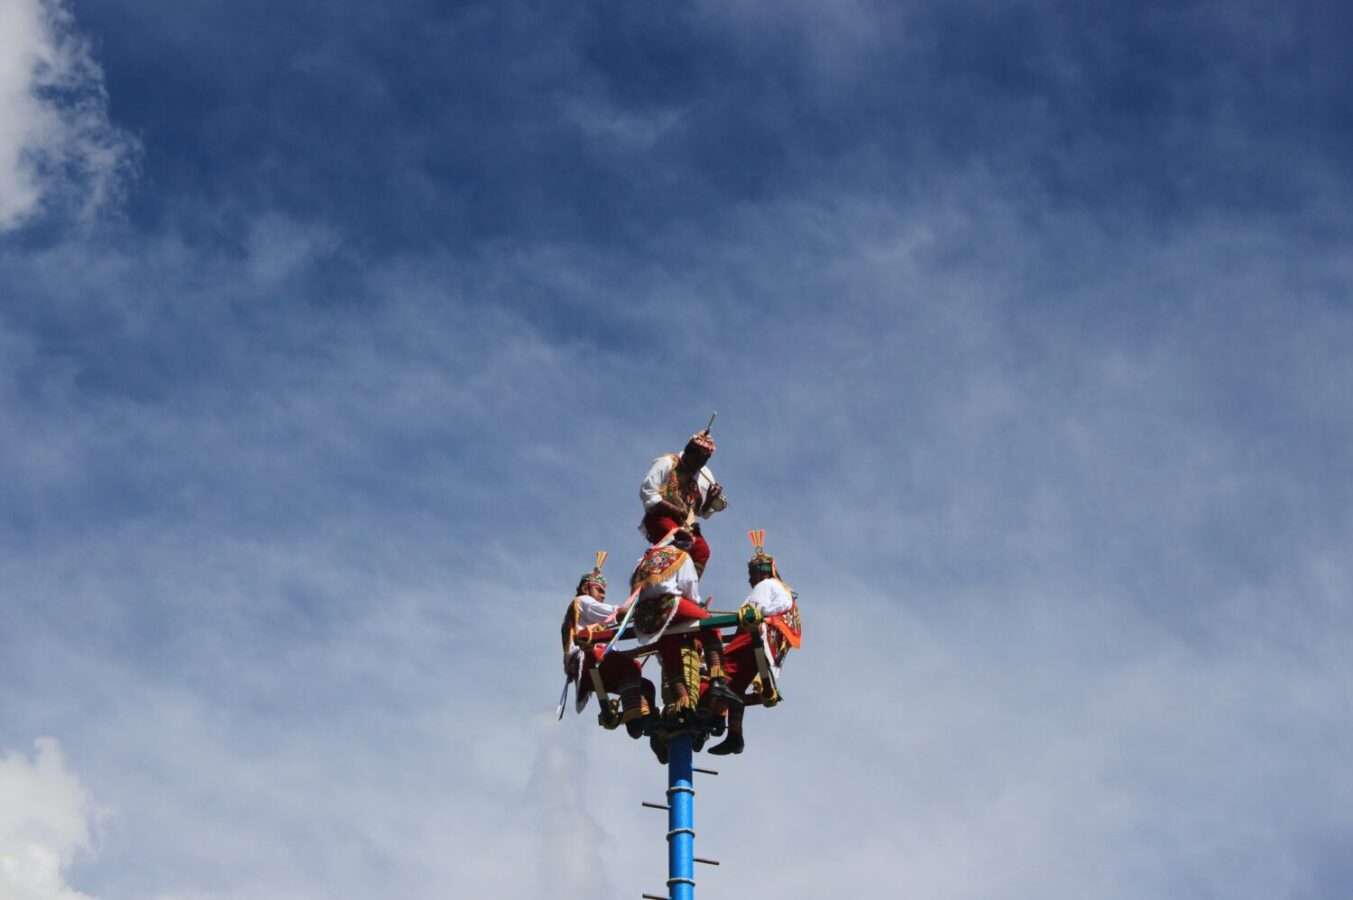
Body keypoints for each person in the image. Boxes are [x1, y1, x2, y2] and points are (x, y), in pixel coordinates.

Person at [706, 530, 803, 755]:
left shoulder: (766, 586)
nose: (749, 578)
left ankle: (715, 717)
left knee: (717, 670)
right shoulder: (781, 589)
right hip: (768, 644)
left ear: (760, 572)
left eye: (751, 573)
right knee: (736, 686)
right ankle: (735, 734)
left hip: (756, 636)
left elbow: (751, 611)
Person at [626, 541, 738, 720]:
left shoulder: (642, 561)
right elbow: (690, 590)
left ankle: (682, 701)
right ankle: (717, 681)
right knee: (710, 625)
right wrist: (696, 608)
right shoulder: (680, 556)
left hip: (645, 620)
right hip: (669, 608)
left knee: (669, 653)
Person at [560, 552, 655, 736]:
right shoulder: (582, 601)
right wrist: (640, 610)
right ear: (586, 588)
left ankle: (640, 720)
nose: (603, 595)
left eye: (604, 591)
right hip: (587, 658)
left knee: (646, 687)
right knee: (631, 667)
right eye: (599, 590)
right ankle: (635, 718)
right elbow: (614, 614)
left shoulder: (584, 611)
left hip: (590, 663)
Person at [638, 429, 726, 576]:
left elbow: (699, 512)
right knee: (683, 539)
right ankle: (666, 582)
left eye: (704, 461)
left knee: (702, 549)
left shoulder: (705, 475)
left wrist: (709, 501)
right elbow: (647, 492)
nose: (699, 465)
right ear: (687, 451)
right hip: (660, 518)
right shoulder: (667, 463)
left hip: (685, 525)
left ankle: (688, 589)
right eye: (697, 459)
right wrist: (676, 510)